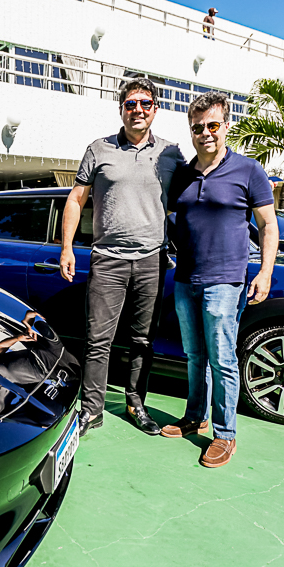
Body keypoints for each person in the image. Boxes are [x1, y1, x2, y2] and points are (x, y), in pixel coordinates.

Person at [60, 77, 185, 437]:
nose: (138, 110)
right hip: (107, 259)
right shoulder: (99, 149)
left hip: (152, 261)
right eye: (131, 104)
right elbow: (76, 199)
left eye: (145, 103)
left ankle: (136, 405)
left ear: (155, 109)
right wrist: (67, 247)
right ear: (121, 109)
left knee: (143, 341)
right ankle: (91, 410)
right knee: (98, 340)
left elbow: (191, 200)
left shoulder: (171, 153)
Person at [160, 91, 279, 468]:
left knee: (223, 358)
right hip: (185, 279)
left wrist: (265, 271)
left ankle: (225, 435)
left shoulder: (248, 170)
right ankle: (195, 417)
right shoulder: (183, 175)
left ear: (227, 126)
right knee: (195, 355)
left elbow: (268, 224)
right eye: (198, 128)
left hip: (226, 281)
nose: (205, 133)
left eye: (213, 125)